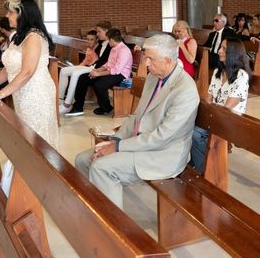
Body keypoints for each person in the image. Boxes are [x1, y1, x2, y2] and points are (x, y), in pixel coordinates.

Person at [75, 33, 199, 209]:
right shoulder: (153, 77)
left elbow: (161, 137)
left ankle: (113, 228)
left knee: (101, 168)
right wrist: (116, 139)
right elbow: (136, 116)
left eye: (150, 59)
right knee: (82, 159)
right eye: (145, 58)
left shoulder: (184, 90)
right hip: (140, 144)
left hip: (163, 154)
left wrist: (118, 147)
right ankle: (96, 211)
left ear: (167, 60)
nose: (146, 64)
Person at [0, 0, 59, 146]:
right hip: (21, 91)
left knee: (36, 139)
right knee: (25, 138)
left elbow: (27, 71)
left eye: (11, 12)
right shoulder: (19, 37)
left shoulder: (34, 37)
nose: (7, 16)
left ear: (22, 14)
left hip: (36, 93)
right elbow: (8, 69)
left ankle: (37, 169)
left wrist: (0, 94)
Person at [190, 37, 251, 173]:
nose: (219, 51)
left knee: (195, 134)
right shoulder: (218, 73)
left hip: (230, 119)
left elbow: (227, 108)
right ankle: (193, 165)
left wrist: (208, 119)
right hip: (215, 115)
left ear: (233, 53)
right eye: (220, 48)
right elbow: (208, 100)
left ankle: (205, 171)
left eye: (223, 48)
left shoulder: (241, 76)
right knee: (185, 126)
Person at [71, 28, 132, 116]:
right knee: (83, 78)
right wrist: (97, 70)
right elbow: (109, 63)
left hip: (121, 75)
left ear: (111, 40)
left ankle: (106, 108)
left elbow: (116, 70)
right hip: (112, 71)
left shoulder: (124, 50)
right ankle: (78, 107)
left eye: (108, 40)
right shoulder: (114, 48)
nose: (108, 42)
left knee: (99, 85)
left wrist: (98, 74)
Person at [65, 21, 112, 117]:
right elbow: (97, 57)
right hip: (99, 68)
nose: (97, 34)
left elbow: (126, 44)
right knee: (82, 78)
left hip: (107, 71)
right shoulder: (101, 43)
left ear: (106, 31)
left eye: (99, 32)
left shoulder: (113, 42)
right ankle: (77, 107)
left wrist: (136, 46)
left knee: (82, 77)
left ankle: (104, 107)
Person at [58, 30, 99, 114]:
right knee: (64, 71)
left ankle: (67, 104)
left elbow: (97, 63)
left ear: (96, 40)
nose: (89, 42)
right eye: (88, 39)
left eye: (92, 39)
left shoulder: (98, 48)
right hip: (86, 67)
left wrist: (77, 69)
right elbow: (85, 61)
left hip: (94, 68)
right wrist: (76, 67)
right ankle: (60, 100)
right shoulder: (89, 49)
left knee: (75, 74)